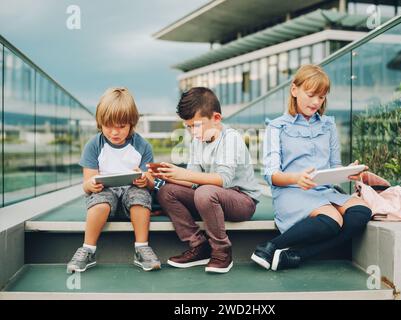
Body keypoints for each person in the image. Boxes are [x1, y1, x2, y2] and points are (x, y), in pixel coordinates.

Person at [251, 64, 372, 271]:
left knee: (362, 211)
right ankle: (268, 247)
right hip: (291, 191)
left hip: (324, 191)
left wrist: (347, 172)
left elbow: (333, 166)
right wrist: (297, 178)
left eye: (322, 97)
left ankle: (296, 255)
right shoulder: (276, 126)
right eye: (311, 95)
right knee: (332, 220)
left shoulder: (328, 125)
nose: (316, 102)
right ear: (294, 90)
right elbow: (271, 174)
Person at [153, 87, 261, 273]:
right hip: (210, 197)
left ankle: (222, 251)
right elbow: (193, 180)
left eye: (196, 125)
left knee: (205, 192)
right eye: (188, 126)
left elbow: (222, 180)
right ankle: (199, 246)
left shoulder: (231, 138)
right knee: (166, 191)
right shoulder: (198, 140)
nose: (192, 131)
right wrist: (169, 176)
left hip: (242, 201)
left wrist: (183, 175)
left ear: (216, 119)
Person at [66, 87, 160, 273]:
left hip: (132, 196)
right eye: (109, 126)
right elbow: (86, 185)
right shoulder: (94, 145)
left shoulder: (142, 145)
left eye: (121, 127)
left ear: (131, 124)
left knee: (140, 197)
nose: (115, 132)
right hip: (104, 197)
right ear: (100, 123)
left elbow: (150, 181)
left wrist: (144, 181)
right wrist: (92, 184)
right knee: (100, 201)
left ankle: (141, 247)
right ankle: (88, 249)